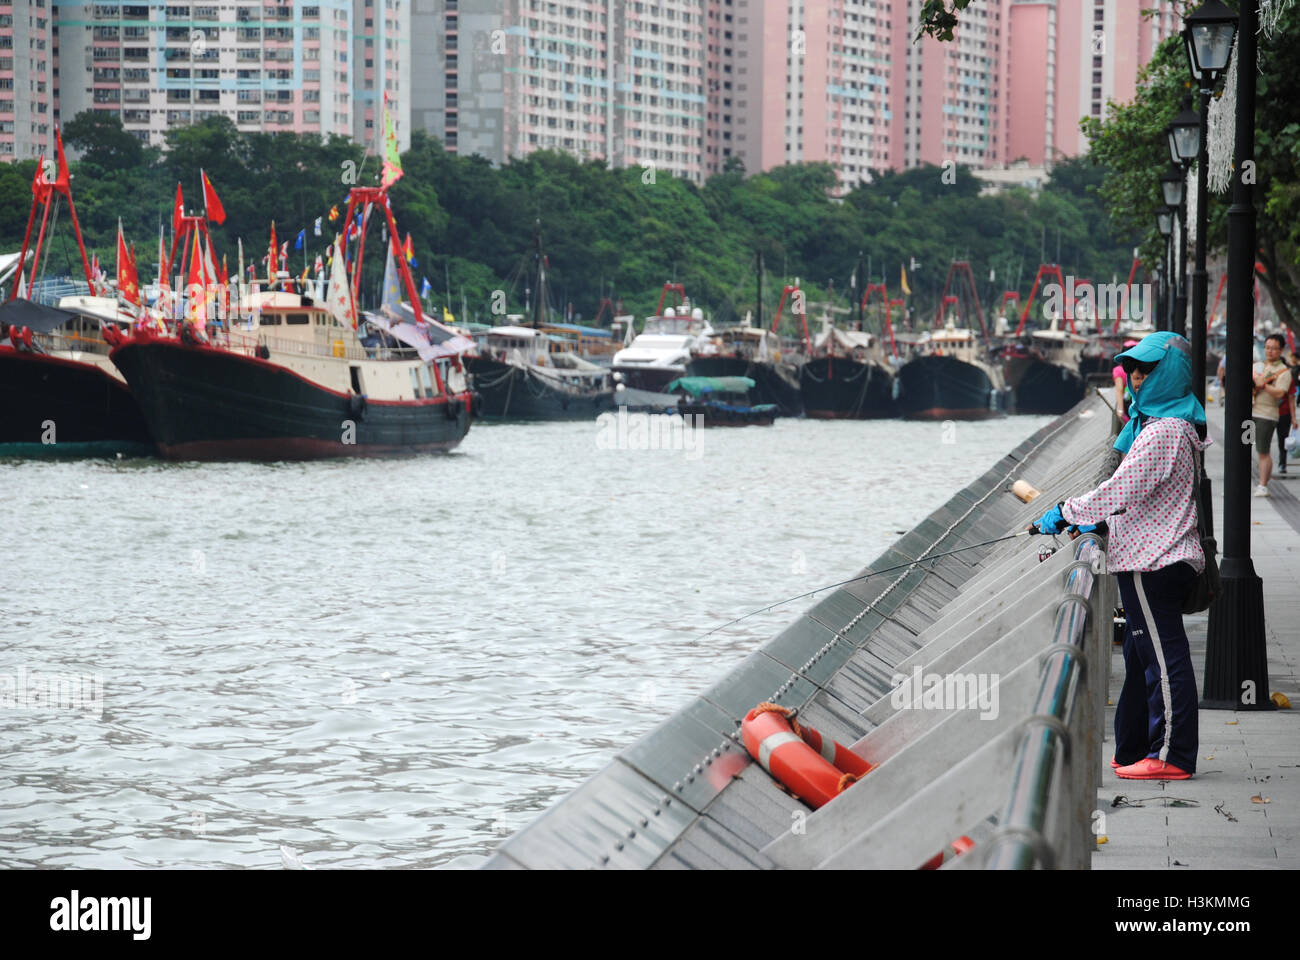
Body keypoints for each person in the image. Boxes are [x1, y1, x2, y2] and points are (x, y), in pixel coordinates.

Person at [1033, 332, 1207, 780]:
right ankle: (1136, 749)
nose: (1135, 377)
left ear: (1169, 374)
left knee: (1165, 661)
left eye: (1146, 369)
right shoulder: (1165, 425)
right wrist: (1094, 521)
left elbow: (1118, 490)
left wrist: (1065, 512)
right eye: (1132, 369)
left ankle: (1170, 755)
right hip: (1153, 556)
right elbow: (1136, 498)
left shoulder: (1163, 432)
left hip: (1154, 562)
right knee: (1142, 657)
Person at [1251, 333, 1292, 496]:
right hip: (1251, 413)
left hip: (1266, 415)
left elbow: (1281, 393)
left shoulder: (1283, 372)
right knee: (1245, 446)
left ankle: (1263, 485)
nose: (1270, 351)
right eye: (1267, 347)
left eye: (1274, 348)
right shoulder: (1258, 366)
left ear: (1281, 350)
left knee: (1262, 450)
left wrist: (1263, 386)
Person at [1112, 339, 1139, 424]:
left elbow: (1119, 390)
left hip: (1129, 404)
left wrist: (1120, 410)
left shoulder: (1118, 370)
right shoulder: (1141, 368)